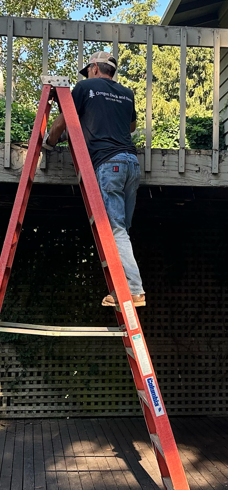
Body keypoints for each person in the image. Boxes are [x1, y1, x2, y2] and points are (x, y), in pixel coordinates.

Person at [44, 51, 145, 307]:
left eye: (88, 70)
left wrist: (49, 141)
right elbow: (131, 127)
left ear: (95, 68)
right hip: (131, 164)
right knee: (121, 230)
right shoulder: (127, 93)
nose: (87, 74)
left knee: (115, 230)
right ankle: (126, 286)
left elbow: (62, 122)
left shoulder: (85, 87)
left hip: (109, 164)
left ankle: (134, 290)